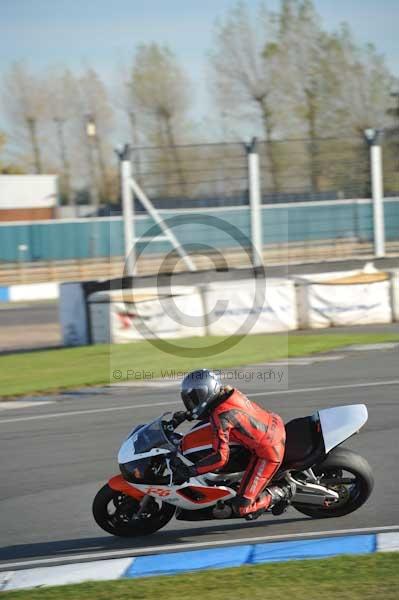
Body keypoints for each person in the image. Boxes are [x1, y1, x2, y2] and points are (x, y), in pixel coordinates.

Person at [171, 369, 295, 519]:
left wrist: (191, 471)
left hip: (269, 451)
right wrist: (187, 415)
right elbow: (207, 411)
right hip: (272, 423)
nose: (191, 403)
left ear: (206, 392)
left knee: (242, 508)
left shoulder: (222, 416)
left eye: (194, 398)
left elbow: (220, 458)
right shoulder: (227, 393)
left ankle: (282, 491)